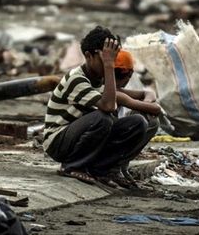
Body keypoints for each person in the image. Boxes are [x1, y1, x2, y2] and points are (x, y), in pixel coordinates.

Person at [43, 26, 149, 187]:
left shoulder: (100, 79)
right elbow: (108, 107)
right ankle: (71, 167)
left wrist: (107, 67)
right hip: (58, 141)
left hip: (79, 136)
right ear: (88, 56)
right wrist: (108, 66)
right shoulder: (76, 79)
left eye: (113, 58)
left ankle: (101, 170)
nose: (111, 63)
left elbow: (118, 101)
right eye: (105, 58)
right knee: (103, 118)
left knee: (138, 123)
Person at [113, 50, 161, 186]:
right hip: (103, 141)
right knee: (142, 121)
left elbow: (148, 93)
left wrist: (144, 105)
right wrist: (146, 107)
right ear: (129, 75)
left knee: (148, 118)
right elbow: (156, 108)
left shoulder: (117, 89)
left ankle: (121, 166)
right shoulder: (111, 91)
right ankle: (114, 167)